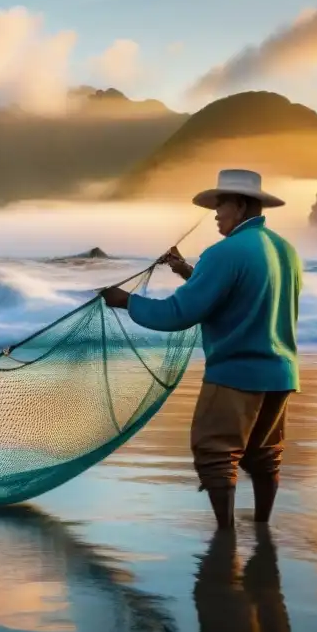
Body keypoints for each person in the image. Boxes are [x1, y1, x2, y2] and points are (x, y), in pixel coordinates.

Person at [101, 169, 302, 531]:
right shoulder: (285, 250)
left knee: (215, 453)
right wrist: (186, 271)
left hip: (236, 374)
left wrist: (126, 301)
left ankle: (225, 536)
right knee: (264, 456)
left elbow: (179, 313)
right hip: (282, 374)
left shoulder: (224, 252)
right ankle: (261, 527)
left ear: (240, 206)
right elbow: (242, 293)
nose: (215, 213)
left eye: (220, 204)